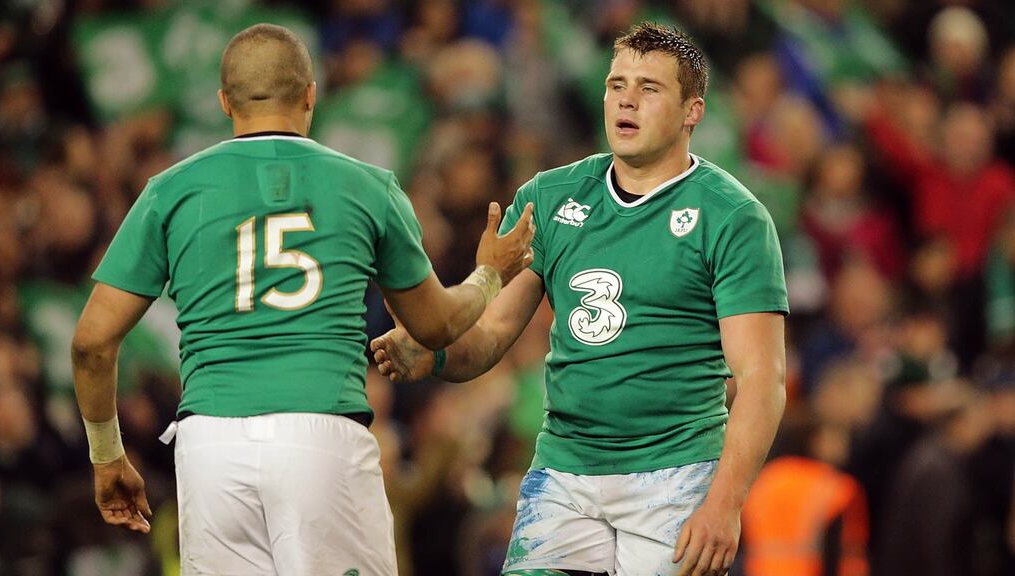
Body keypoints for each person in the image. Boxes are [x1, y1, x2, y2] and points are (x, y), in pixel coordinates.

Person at [71, 23, 535, 576]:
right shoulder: (367, 185)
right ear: (311, 94)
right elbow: (435, 326)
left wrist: (107, 456)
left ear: (224, 103)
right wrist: (488, 274)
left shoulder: (170, 190)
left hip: (211, 448)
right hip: (322, 437)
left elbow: (92, 343)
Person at [372, 21, 788, 576]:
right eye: (617, 85)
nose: (627, 100)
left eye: (649, 88)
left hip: (674, 473)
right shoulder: (548, 196)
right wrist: (437, 353)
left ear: (693, 111)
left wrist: (725, 503)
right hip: (565, 470)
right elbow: (491, 335)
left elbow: (762, 379)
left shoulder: (732, 217)